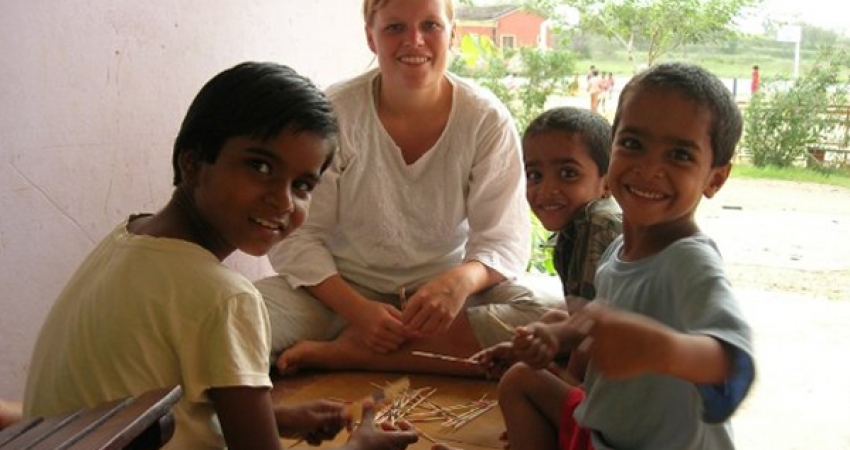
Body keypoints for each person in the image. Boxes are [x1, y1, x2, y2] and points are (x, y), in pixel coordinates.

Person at [22, 62, 419, 450]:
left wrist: (277, 416)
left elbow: (148, 399)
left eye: (302, 185)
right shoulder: (226, 298)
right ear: (193, 163)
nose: (282, 200)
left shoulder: (129, 236)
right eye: (260, 166)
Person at [254, 0, 553, 377]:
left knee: (547, 313)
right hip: (338, 295)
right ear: (370, 36)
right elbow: (298, 236)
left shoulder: (485, 120)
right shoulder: (335, 113)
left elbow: (503, 240)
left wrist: (459, 282)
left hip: (443, 306)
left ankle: (348, 355)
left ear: (453, 33)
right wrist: (357, 311)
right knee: (240, 316)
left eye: (430, 26)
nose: (415, 42)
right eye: (395, 28)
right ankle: (400, 349)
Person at [488, 63, 756, 450]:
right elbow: (597, 322)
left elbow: (733, 363)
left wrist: (665, 350)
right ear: (610, 153)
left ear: (715, 178)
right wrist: (551, 337)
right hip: (605, 435)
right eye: (632, 144)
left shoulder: (689, 261)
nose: (649, 169)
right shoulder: (617, 250)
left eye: (679, 154)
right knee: (520, 379)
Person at [473, 107, 620, 447]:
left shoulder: (596, 225)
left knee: (520, 381)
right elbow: (578, 326)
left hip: (623, 420)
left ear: (607, 180)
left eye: (568, 174)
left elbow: (594, 336)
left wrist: (537, 365)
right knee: (554, 318)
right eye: (535, 175)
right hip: (618, 381)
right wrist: (525, 348)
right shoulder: (585, 222)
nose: (546, 190)